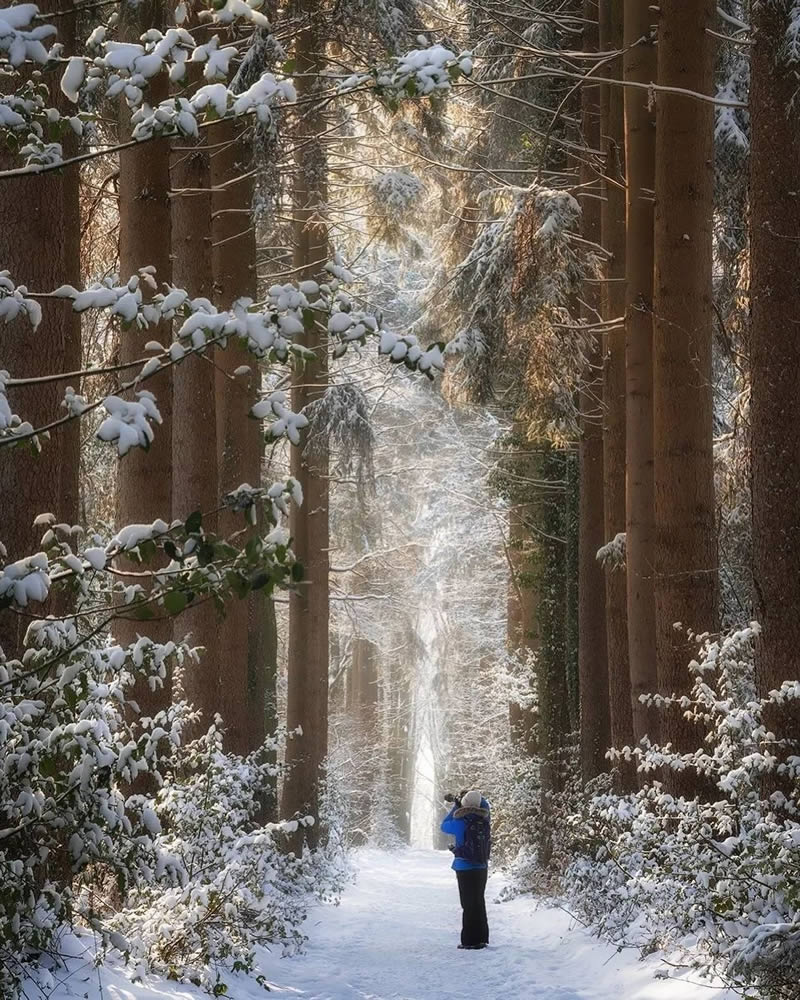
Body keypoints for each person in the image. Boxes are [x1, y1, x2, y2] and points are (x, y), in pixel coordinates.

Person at [440, 788, 491, 950]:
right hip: (481, 866)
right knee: (479, 901)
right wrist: (477, 799)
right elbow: (485, 805)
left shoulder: (459, 822)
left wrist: (457, 805)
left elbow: (444, 826)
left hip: (464, 866)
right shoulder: (485, 819)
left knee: (468, 904)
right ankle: (482, 938)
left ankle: (469, 941)